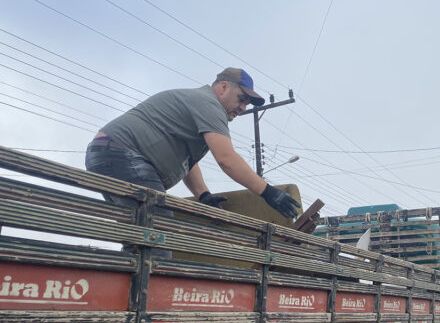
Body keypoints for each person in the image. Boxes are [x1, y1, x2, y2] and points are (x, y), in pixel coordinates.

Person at [85, 67, 300, 219]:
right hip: (122, 152)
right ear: (223, 88)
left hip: (108, 152)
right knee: (155, 231)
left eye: (247, 104)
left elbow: (187, 162)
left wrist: (203, 195)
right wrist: (268, 192)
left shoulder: (199, 106)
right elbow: (226, 159)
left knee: (138, 232)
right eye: (242, 99)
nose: (243, 108)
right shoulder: (210, 105)